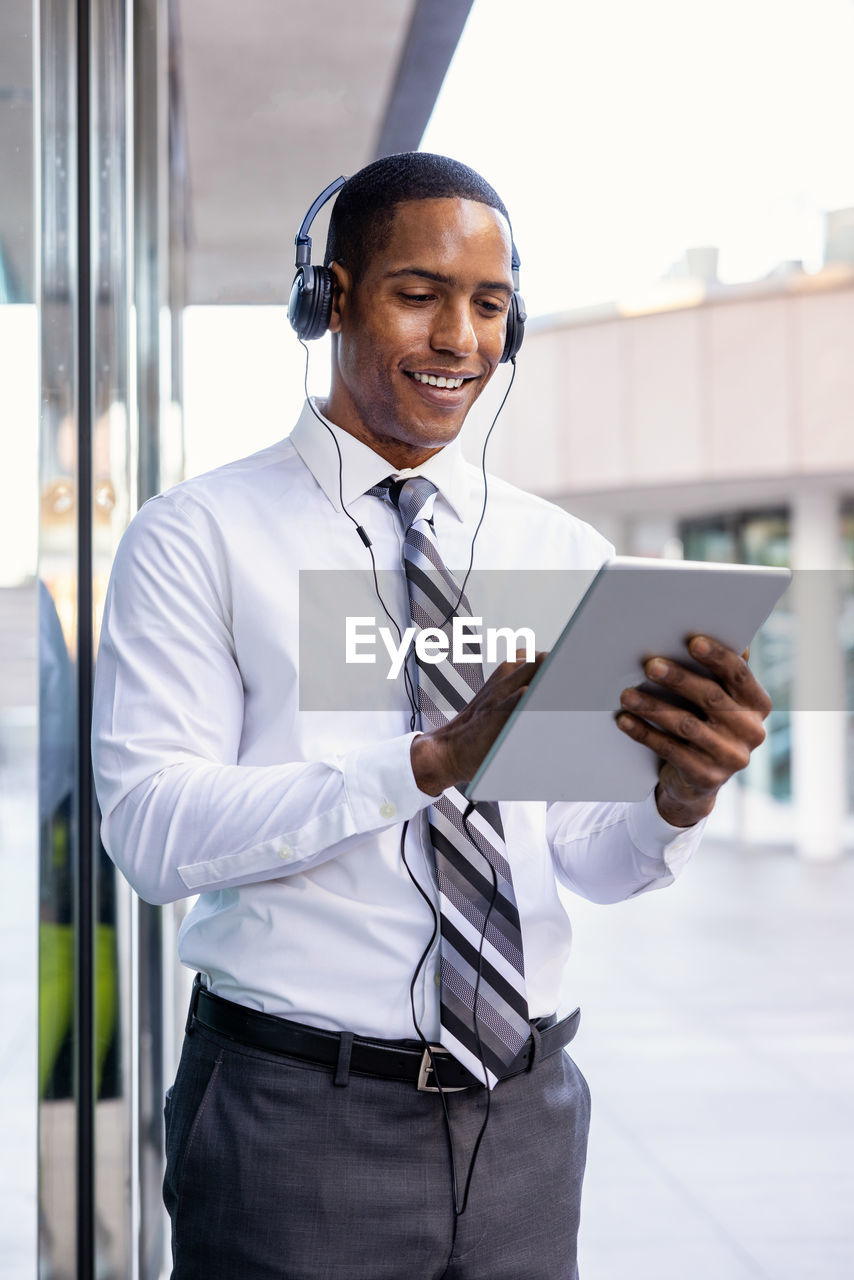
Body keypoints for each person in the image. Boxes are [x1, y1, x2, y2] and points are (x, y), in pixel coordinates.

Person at [91, 153, 771, 1280]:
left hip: (524, 1117)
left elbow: (581, 860)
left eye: (491, 305)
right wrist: (422, 760)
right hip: (294, 1118)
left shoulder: (561, 553)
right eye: (420, 294)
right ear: (330, 299)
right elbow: (153, 836)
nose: (460, 336)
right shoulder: (196, 536)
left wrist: (676, 795)